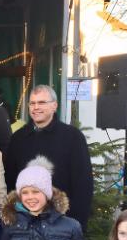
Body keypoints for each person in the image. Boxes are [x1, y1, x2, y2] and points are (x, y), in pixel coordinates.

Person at [5, 84, 93, 232]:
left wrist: (77, 225)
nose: (36, 107)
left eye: (41, 102)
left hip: (63, 221)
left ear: (54, 105)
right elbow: (10, 182)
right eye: (32, 103)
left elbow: (83, 185)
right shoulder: (18, 138)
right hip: (25, 221)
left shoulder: (72, 137)